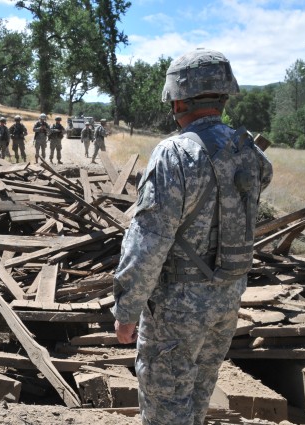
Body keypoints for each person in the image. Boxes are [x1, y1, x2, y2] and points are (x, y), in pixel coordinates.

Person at [112, 48, 273, 425]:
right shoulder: (248, 151)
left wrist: (126, 308)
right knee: (198, 400)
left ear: (177, 98)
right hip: (226, 300)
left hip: (177, 308)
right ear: (222, 95)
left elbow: (148, 241)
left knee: (166, 409)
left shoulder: (174, 154)